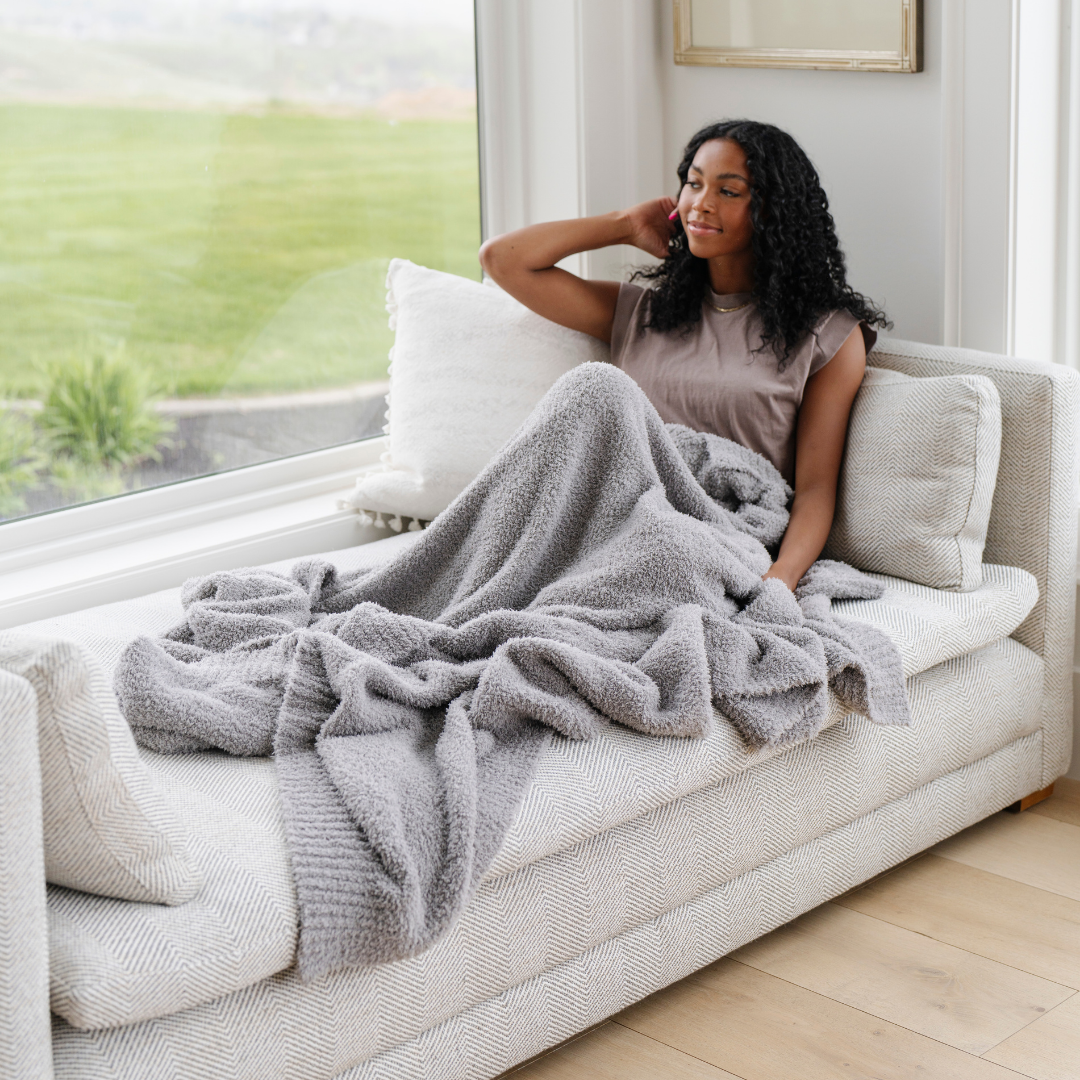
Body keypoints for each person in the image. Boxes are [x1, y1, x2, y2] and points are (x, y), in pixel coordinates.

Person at [479, 119, 888, 592]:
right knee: (589, 388)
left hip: (715, 540)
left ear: (773, 212)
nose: (701, 203)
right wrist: (624, 225)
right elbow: (503, 259)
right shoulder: (643, 313)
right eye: (693, 184)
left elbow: (816, 490)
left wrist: (780, 579)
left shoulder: (825, 336)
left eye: (729, 192)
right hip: (610, 524)